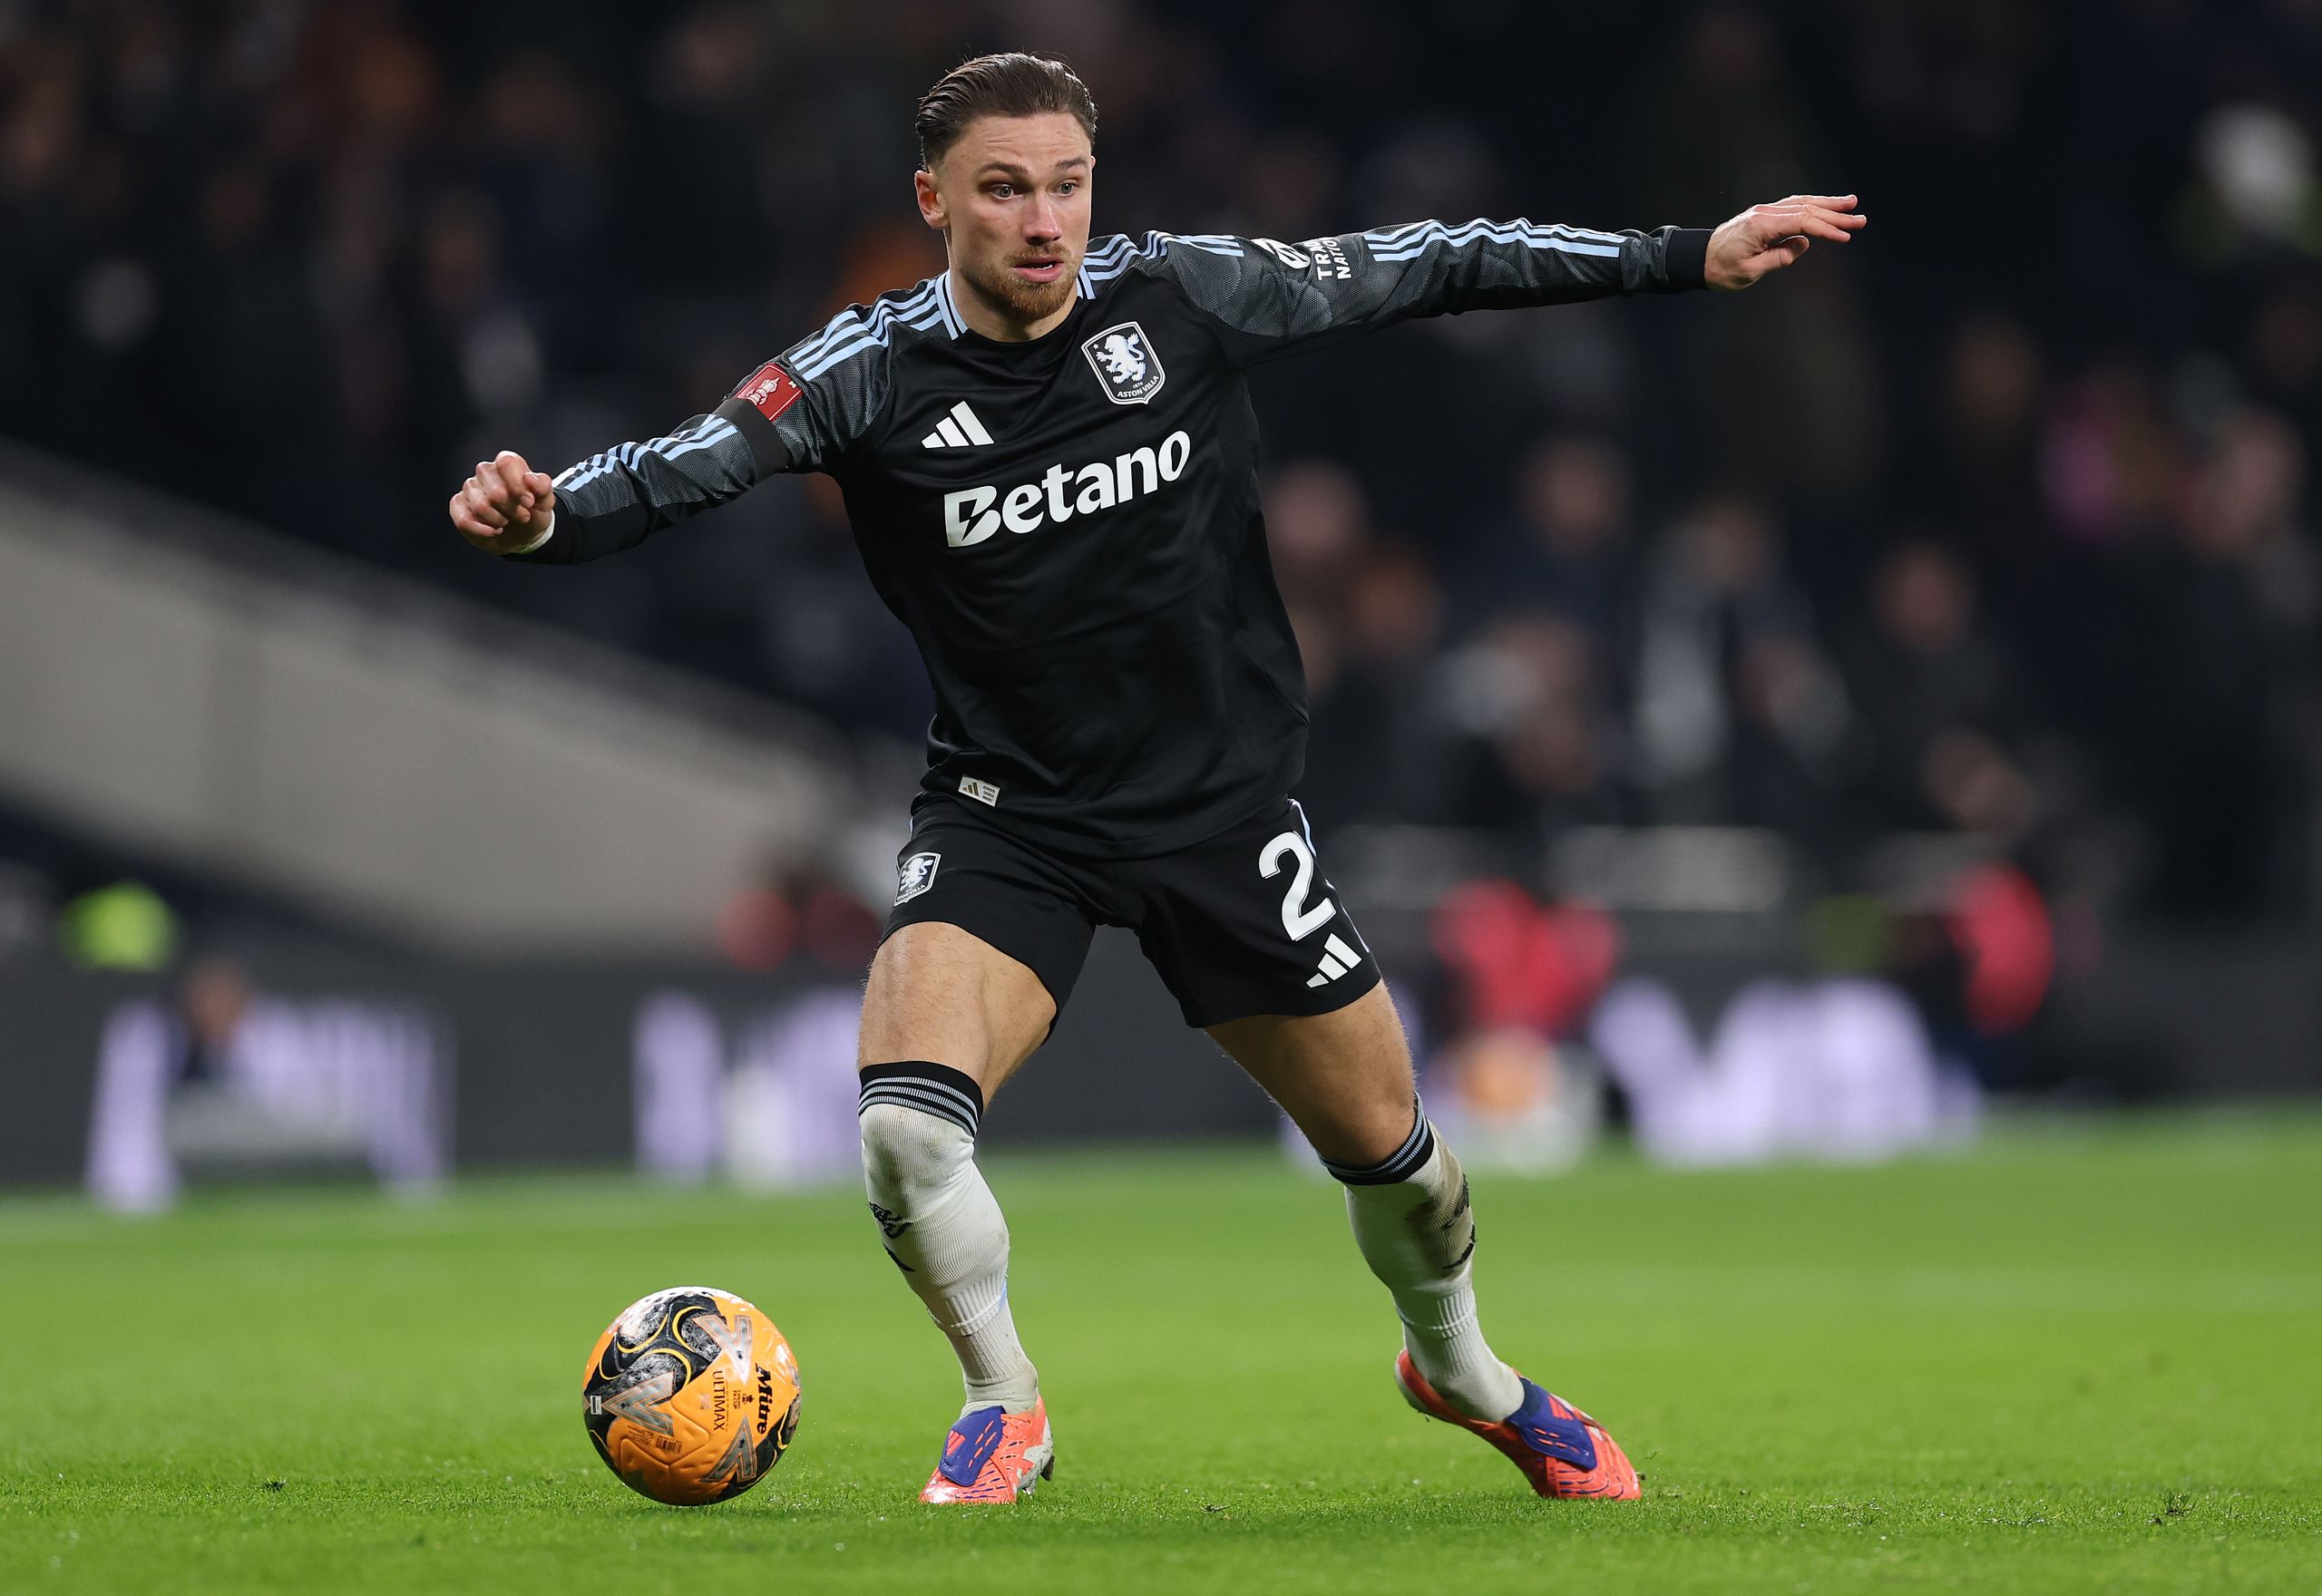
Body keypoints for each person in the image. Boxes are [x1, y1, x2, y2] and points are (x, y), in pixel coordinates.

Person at [449, 52, 1864, 1505]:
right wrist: (546, 520)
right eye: (1005, 190)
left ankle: (1462, 1372)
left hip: (1222, 819)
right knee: (903, 1132)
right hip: (1012, 817)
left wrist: (1685, 252)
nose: (1043, 220)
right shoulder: (865, 372)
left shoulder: (1184, 295)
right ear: (935, 201)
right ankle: (1004, 1402)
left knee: (1407, 1171)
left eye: (1066, 185)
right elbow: (690, 463)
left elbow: (1436, 261)